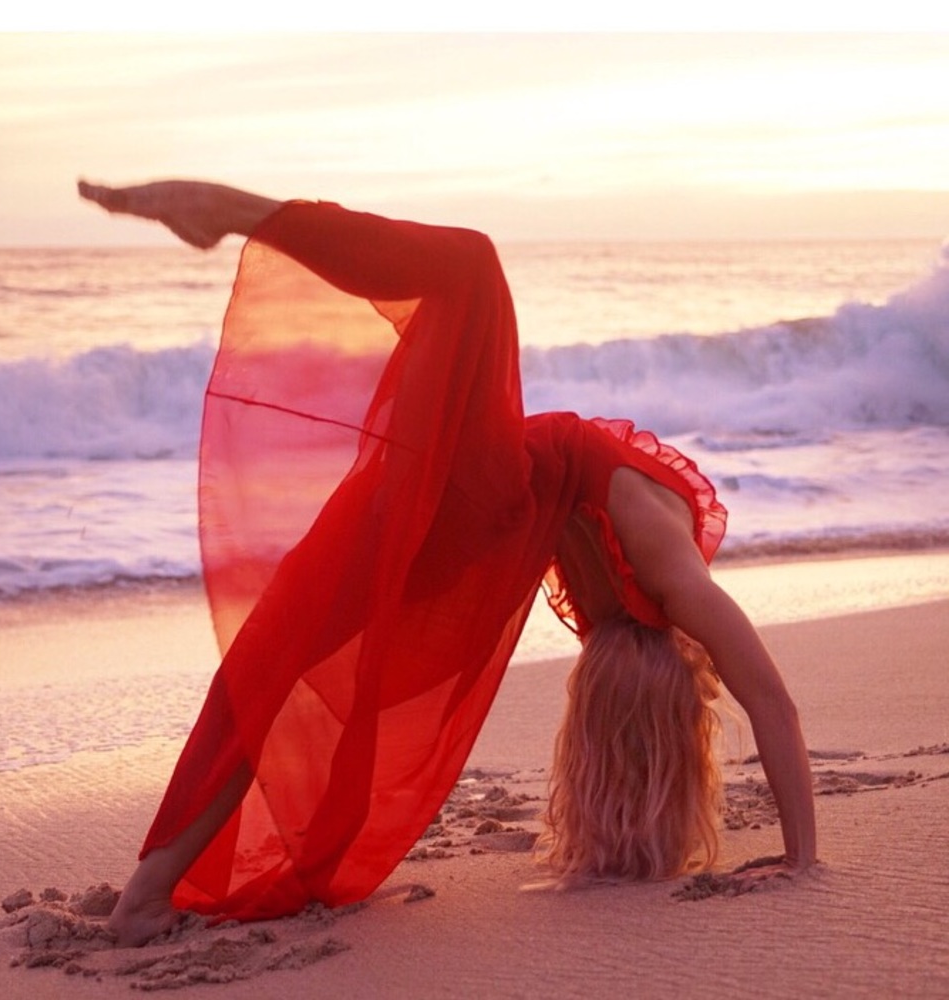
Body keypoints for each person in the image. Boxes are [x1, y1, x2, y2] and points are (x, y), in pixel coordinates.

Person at [78, 180, 817, 947]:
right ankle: (145, 897)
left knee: (472, 267)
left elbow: (773, 702)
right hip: (458, 521)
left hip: (472, 489)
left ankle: (239, 215)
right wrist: (799, 859)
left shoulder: (664, 568)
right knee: (270, 661)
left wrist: (804, 859)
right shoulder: (649, 595)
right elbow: (768, 701)